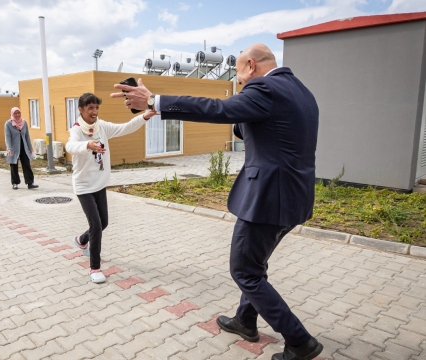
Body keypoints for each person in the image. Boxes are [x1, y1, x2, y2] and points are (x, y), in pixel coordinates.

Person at [112, 44, 323, 360]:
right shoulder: (300, 92)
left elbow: (218, 108)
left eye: (238, 74)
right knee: (256, 264)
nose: (239, 83)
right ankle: (245, 320)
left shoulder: (265, 87)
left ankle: (299, 341)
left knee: (245, 271)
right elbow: (253, 125)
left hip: (268, 198)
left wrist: (155, 101)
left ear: (250, 65)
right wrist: (240, 113)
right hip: (294, 197)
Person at [66, 93, 155, 283]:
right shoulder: (77, 130)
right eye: (90, 108)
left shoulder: (102, 126)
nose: (94, 111)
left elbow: (125, 127)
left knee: (103, 222)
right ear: (81, 110)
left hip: (99, 183)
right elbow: (70, 146)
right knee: (96, 225)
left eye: (96, 108)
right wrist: (87, 145)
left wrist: (144, 116)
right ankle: (94, 268)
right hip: (83, 186)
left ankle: (82, 240)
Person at [5, 107, 38, 190]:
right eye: (15, 113)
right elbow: (7, 137)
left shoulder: (24, 123)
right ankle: (15, 183)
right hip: (13, 148)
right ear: (12, 114)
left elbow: (27, 136)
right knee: (13, 165)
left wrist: (30, 148)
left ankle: (30, 183)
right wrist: (9, 148)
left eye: (18, 113)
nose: (17, 115)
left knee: (27, 164)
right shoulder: (8, 124)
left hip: (24, 147)